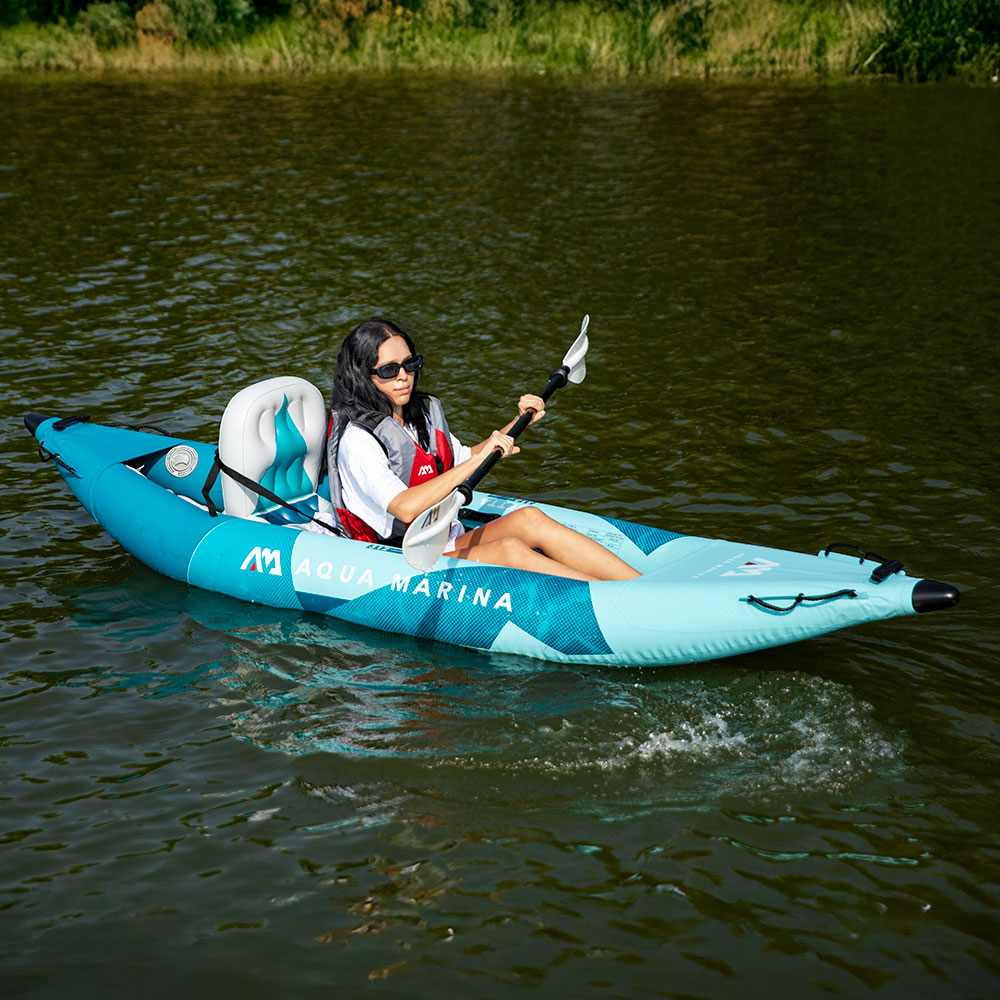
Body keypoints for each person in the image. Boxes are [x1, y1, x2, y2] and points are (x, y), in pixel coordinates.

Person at [326, 317, 640, 582]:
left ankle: (638, 585)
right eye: (388, 370)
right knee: (510, 550)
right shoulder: (358, 440)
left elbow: (464, 458)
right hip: (401, 556)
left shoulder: (419, 415)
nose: (403, 377)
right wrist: (481, 455)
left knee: (530, 518)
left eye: (410, 364)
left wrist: (518, 421)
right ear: (362, 376)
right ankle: (617, 600)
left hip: (442, 536)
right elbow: (405, 507)